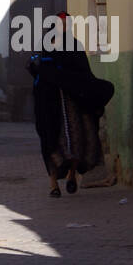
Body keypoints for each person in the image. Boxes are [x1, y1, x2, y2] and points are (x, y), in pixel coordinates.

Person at [27, 10, 115, 197]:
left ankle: (72, 176)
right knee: (50, 142)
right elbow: (38, 72)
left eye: (67, 24)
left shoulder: (75, 46)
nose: (64, 27)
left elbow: (84, 74)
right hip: (50, 106)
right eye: (61, 24)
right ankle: (53, 185)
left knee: (76, 142)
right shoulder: (45, 46)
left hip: (73, 104)